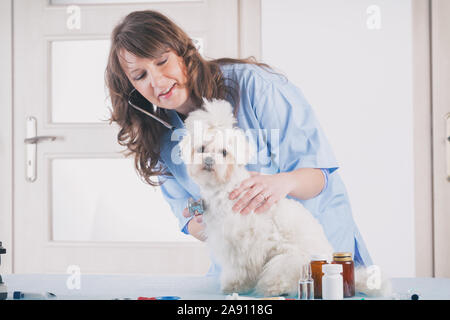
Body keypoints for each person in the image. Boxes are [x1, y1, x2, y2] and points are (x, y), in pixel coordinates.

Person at [105, 10, 373, 273]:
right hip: (246, 268)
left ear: (183, 52)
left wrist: (282, 183)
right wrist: (209, 218)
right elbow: (189, 219)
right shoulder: (159, 138)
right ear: (132, 89)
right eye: (140, 76)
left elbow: (319, 174)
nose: (158, 81)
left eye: (162, 61)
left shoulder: (256, 87)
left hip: (315, 258)